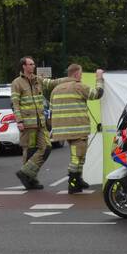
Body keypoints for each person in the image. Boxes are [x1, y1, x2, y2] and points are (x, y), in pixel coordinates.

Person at [11, 57, 71, 190]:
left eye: (33, 64)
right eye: (31, 64)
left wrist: (69, 79)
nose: (33, 66)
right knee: (30, 151)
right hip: (27, 124)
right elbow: (15, 104)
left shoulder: (37, 80)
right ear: (24, 67)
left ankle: (25, 172)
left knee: (47, 147)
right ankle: (31, 179)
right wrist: (19, 121)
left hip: (40, 123)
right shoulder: (17, 83)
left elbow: (52, 83)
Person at [49, 65, 105, 193]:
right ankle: (73, 183)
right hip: (77, 128)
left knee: (80, 154)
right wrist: (99, 78)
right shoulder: (78, 86)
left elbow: (51, 109)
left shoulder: (56, 89)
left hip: (62, 129)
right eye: (80, 74)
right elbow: (97, 94)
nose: (81, 77)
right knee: (77, 156)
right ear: (75, 75)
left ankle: (78, 179)